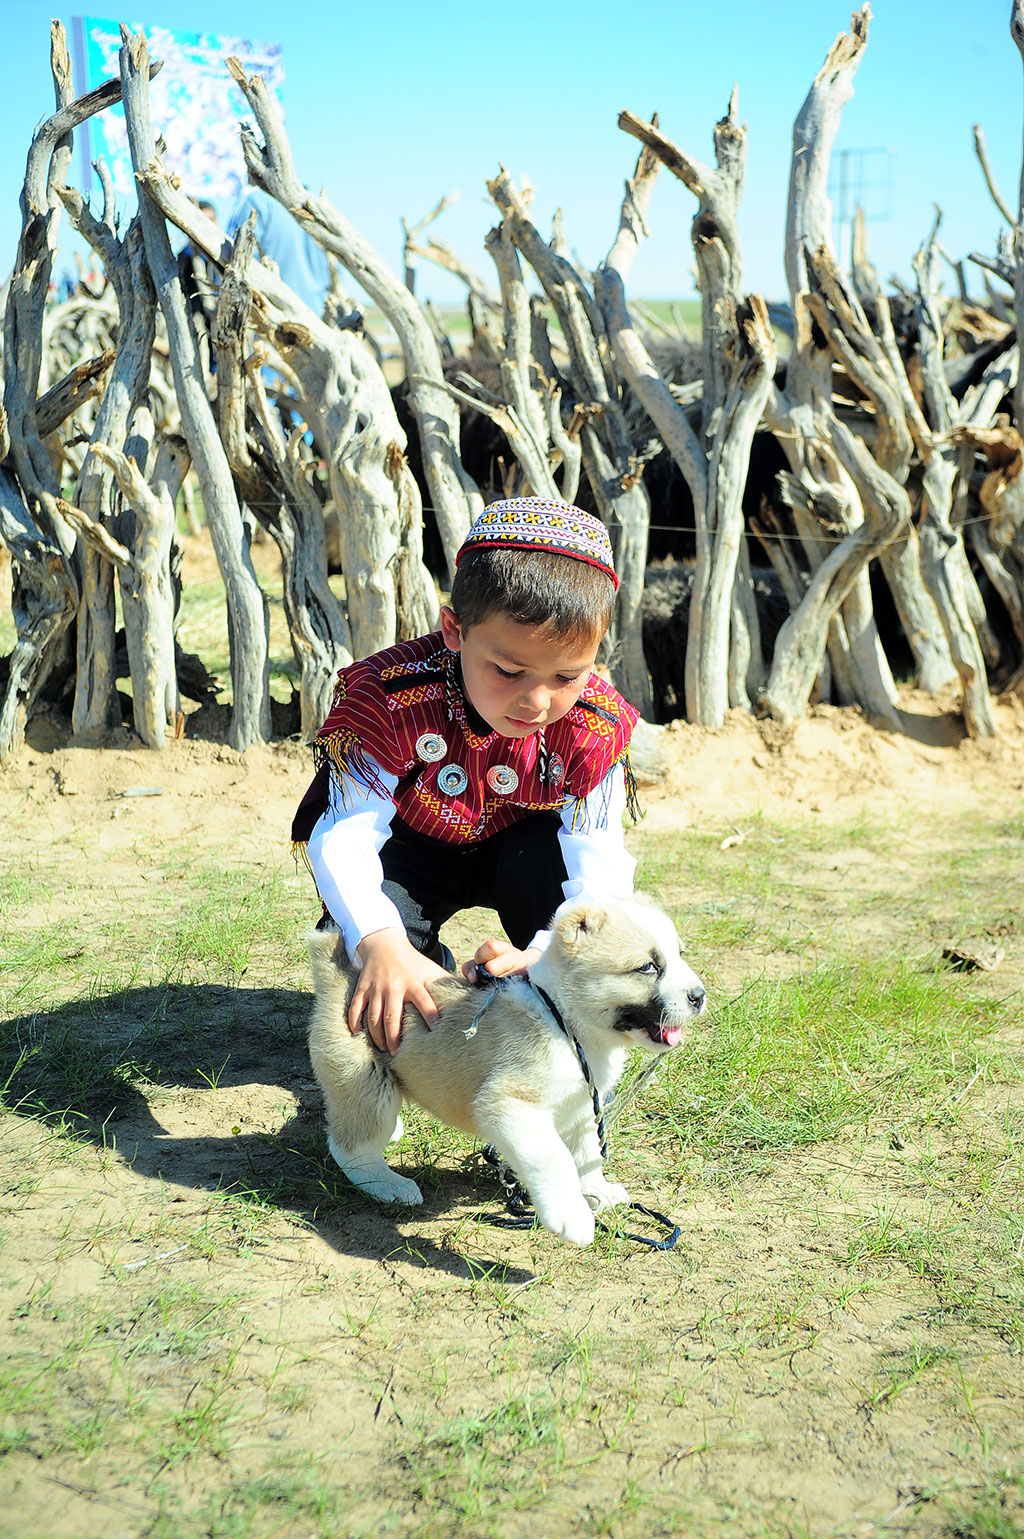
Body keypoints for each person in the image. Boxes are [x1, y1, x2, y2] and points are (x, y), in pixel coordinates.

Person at [291, 496, 641, 1055]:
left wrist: (549, 950)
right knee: (363, 970)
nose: (536, 699)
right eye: (507, 670)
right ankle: (431, 971)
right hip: (408, 850)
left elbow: (596, 860)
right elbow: (345, 834)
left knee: (588, 964)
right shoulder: (389, 698)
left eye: (567, 675)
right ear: (454, 630)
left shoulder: (594, 726)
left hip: (526, 851)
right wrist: (380, 940)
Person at [226, 184, 330, 314]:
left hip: (270, 316)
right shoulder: (316, 204)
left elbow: (236, 261)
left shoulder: (256, 201)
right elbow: (333, 269)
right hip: (316, 314)